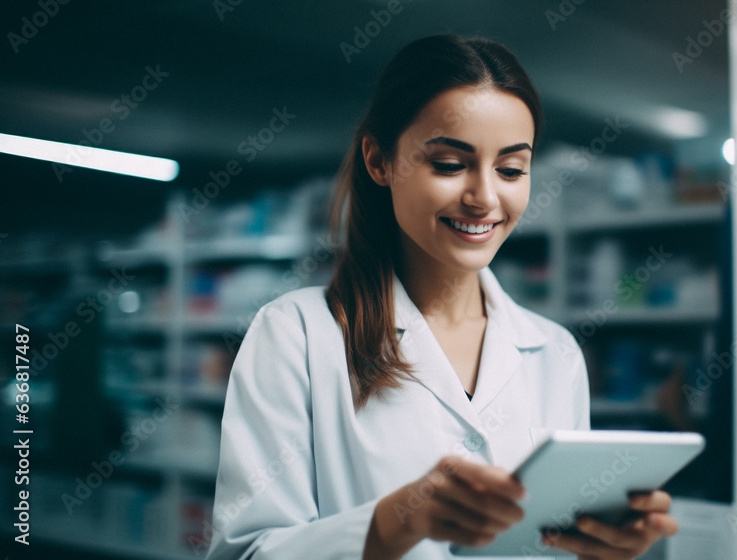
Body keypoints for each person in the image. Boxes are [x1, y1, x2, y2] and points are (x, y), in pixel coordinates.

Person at [205, 34, 678, 560]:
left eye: (511, 169)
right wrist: (394, 523)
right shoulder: (297, 333)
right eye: (451, 164)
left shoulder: (555, 352)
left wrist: (605, 547)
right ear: (380, 161)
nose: (483, 198)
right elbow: (245, 552)